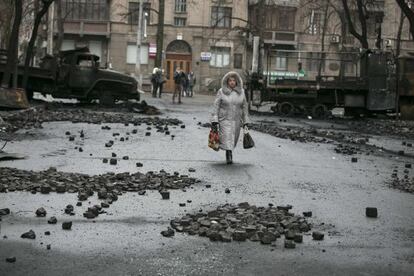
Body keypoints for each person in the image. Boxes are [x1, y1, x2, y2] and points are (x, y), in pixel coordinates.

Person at [210, 71, 250, 164]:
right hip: (224, 119)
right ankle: (229, 154)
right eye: (230, 80)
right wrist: (215, 119)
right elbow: (216, 105)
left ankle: (230, 150)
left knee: (233, 138)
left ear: (237, 82)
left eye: (234, 80)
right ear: (227, 82)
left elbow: (244, 107)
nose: (232, 82)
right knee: (227, 136)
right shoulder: (221, 91)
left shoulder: (242, 92)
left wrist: (245, 120)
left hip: (236, 120)